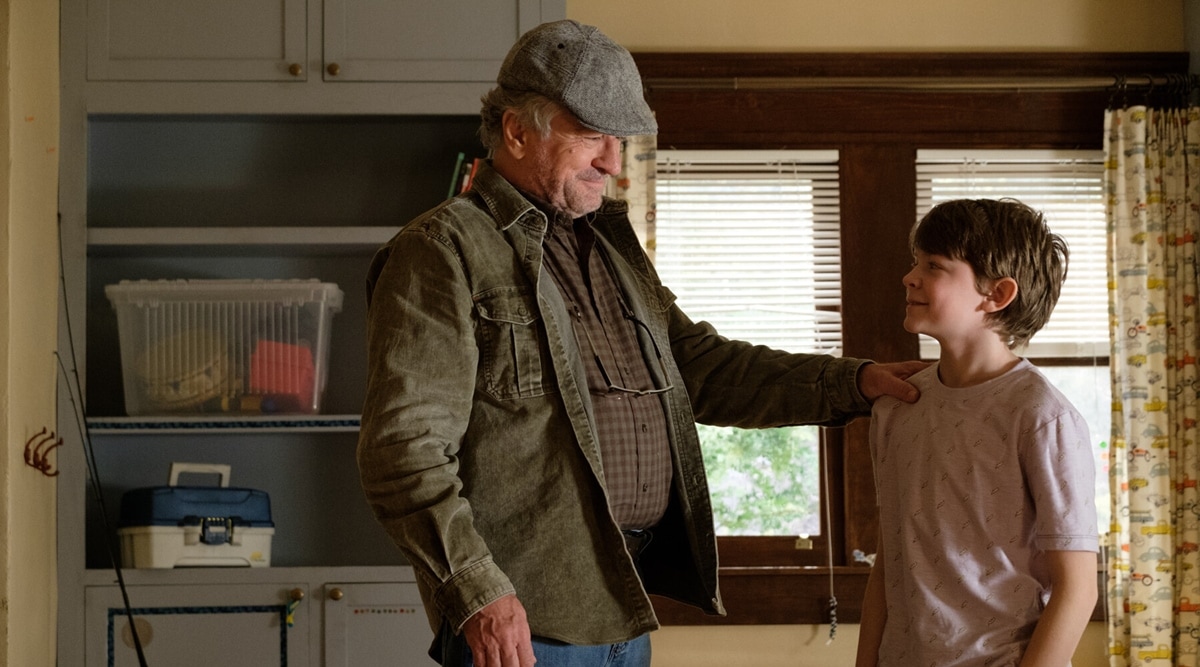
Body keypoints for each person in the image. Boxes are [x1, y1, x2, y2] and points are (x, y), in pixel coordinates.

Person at [357, 19, 925, 667]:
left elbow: (701, 368)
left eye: (620, 140)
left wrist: (853, 383)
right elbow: (403, 452)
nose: (612, 162)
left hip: (624, 610)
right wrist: (476, 590)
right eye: (592, 136)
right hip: (522, 626)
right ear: (516, 131)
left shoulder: (609, 248)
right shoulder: (441, 250)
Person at [854, 199, 1099, 667]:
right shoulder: (896, 407)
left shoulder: (1042, 417)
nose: (909, 277)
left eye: (933, 265)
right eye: (915, 262)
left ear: (997, 294)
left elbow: (1077, 589)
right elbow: (889, 564)